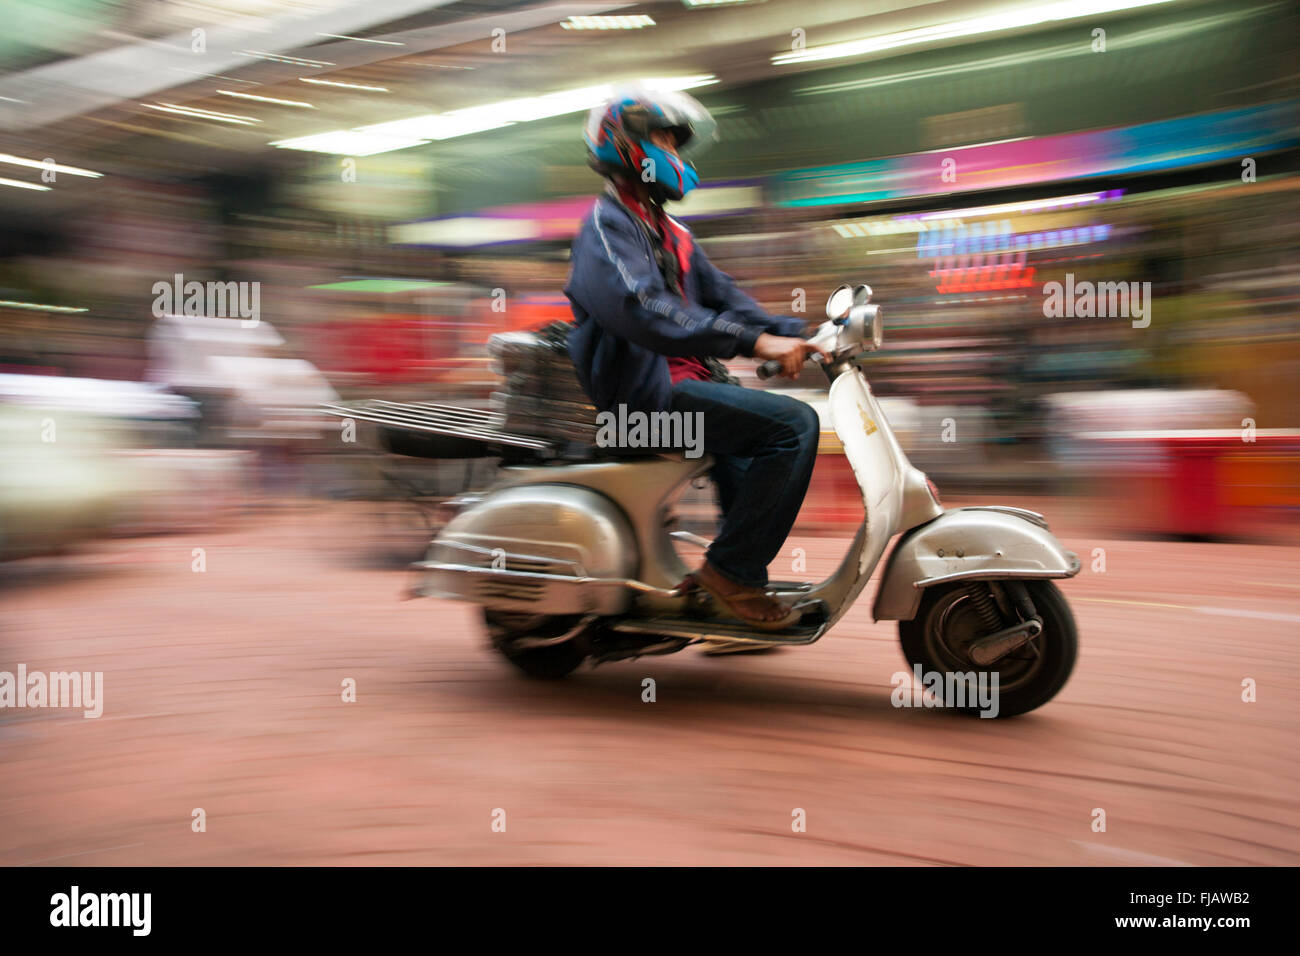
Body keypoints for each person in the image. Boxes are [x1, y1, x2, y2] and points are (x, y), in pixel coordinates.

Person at [564, 88, 828, 631]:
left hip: (677, 395)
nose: (676, 156)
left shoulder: (672, 233)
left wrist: (805, 335)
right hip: (637, 412)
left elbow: (729, 300)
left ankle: (731, 594)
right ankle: (730, 574)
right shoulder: (605, 228)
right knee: (794, 427)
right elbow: (643, 308)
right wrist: (753, 344)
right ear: (625, 144)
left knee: (756, 436)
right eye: (664, 140)